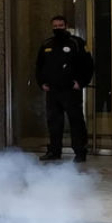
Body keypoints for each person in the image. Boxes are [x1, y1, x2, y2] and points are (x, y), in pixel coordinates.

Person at [35, 15, 94, 163]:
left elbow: (88, 65)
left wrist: (80, 82)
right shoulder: (47, 44)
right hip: (52, 91)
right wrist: (41, 82)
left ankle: (80, 152)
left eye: (60, 25)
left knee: (76, 122)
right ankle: (54, 151)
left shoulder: (76, 43)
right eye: (55, 26)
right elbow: (39, 66)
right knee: (54, 122)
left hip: (70, 91)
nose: (57, 28)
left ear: (66, 25)